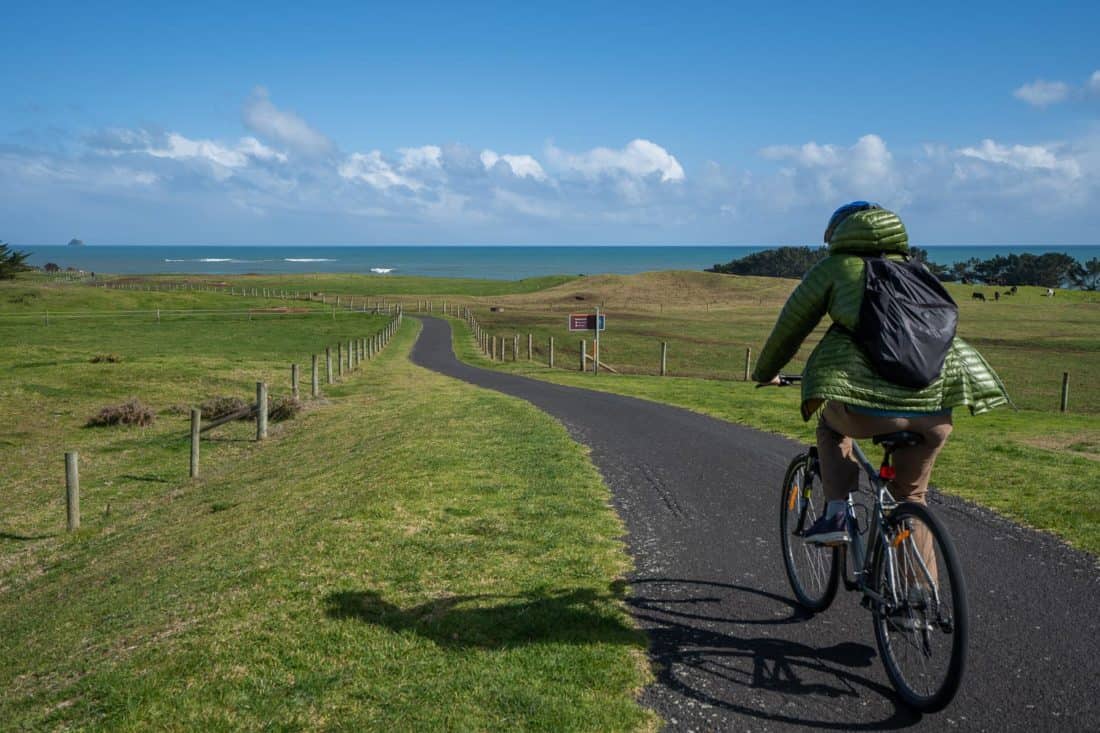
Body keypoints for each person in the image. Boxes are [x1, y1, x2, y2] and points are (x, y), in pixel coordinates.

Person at [753, 202, 1010, 545]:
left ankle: (837, 515)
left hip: (866, 411)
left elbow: (789, 330)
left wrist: (765, 373)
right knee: (911, 499)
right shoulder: (920, 272)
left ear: (838, 233)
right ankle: (919, 592)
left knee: (830, 426)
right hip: (935, 412)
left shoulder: (834, 268)